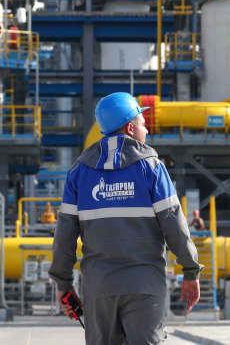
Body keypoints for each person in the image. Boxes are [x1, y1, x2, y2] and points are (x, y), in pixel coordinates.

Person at [49, 92, 203, 345]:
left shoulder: (78, 172)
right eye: (143, 124)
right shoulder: (152, 168)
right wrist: (190, 270)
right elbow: (174, 224)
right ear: (130, 128)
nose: (147, 131)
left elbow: (64, 236)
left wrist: (63, 284)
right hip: (144, 286)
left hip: (99, 287)